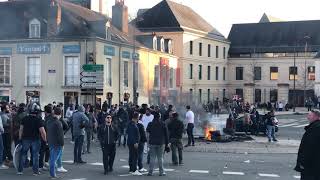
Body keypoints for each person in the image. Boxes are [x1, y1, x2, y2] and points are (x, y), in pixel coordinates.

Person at [18, 104, 47, 175]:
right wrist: (45, 140)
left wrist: (20, 138)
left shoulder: (24, 118)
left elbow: (21, 130)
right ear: (37, 111)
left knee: (23, 154)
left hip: (25, 139)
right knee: (35, 155)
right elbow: (42, 131)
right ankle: (35, 171)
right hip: (36, 139)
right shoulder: (38, 119)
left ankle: (20, 170)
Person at [295, 109, 320, 180]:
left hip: (310, 165)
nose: (307, 117)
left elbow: (308, 148)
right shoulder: (314, 127)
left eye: (309, 115)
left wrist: (302, 163)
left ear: (315, 116)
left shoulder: (314, 129)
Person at [146, 112, 169, 176]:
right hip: (161, 142)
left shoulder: (150, 124)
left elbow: (147, 133)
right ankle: (161, 172)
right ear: (159, 116)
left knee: (152, 157)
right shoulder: (163, 123)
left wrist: (148, 142)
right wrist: (167, 143)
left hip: (152, 142)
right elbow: (166, 134)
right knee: (160, 157)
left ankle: (150, 172)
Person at [47, 107, 64, 178]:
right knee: (53, 159)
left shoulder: (49, 121)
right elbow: (60, 135)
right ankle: (52, 174)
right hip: (57, 143)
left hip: (51, 142)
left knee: (52, 158)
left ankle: (52, 173)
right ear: (60, 114)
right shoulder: (58, 123)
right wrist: (62, 144)